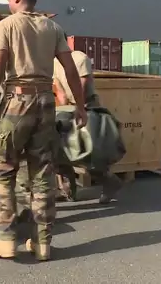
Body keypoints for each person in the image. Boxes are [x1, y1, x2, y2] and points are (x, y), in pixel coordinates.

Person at [0, 0, 88, 261]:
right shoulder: (53, 27)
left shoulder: (5, 26)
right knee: (42, 174)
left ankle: (6, 238)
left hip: (16, 102)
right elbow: (71, 70)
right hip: (46, 103)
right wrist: (81, 107)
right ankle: (42, 243)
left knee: (3, 170)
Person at [52, 42, 124, 204]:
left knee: (90, 153)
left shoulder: (80, 58)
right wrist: (64, 109)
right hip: (68, 108)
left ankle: (110, 183)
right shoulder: (54, 63)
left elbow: (82, 87)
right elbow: (60, 91)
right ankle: (68, 189)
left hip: (88, 107)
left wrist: (78, 108)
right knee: (60, 151)